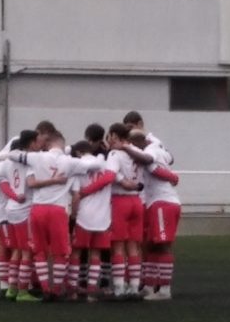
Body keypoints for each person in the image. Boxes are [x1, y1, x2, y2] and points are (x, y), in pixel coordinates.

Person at [5, 132, 106, 300]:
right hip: (58, 211)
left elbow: (12, 154)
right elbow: (95, 165)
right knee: (60, 253)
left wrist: (29, 155)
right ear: (61, 144)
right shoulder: (70, 162)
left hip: (37, 210)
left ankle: (44, 289)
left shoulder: (36, 158)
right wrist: (102, 154)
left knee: (39, 252)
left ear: (48, 143)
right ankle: (56, 290)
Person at [121, 130, 182, 301]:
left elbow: (150, 163)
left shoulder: (149, 152)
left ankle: (164, 289)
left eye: (131, 143)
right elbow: (170, 159)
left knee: (162, 245)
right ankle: (149, 286)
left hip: (163, 202)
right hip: (158, 202)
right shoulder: (158, 148)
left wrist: (125, 147)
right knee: (152, 245)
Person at [0, 130, 41, 302]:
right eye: (37, 142)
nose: (39, 145)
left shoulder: (7, 162)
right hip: (24, 210)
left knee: (16, 251)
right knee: (27, 251)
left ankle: (11, 289)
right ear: (31, 143)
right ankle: (22, 291)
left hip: (10, 210)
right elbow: (31, 183)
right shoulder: (29, 162)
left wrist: (13, 196)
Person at [66, 140, 117, 301]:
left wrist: (72, 216)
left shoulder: (78, 168)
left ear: (79, 153)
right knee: (96, 253)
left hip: (83, 216)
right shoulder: (105, 166)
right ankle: (91, 292)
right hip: (103, 217)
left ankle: (74, 291)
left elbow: (75, 195)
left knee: (76, 251)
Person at [105, 123, 146, 297]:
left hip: (120, 200)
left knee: (118, 245)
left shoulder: (115, 154)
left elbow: (110, 174)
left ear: (114, 135)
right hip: (137, 201)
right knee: (133, 245)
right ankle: (134, 286)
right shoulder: (137, 152)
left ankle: (119, 286)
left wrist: (123, 181)